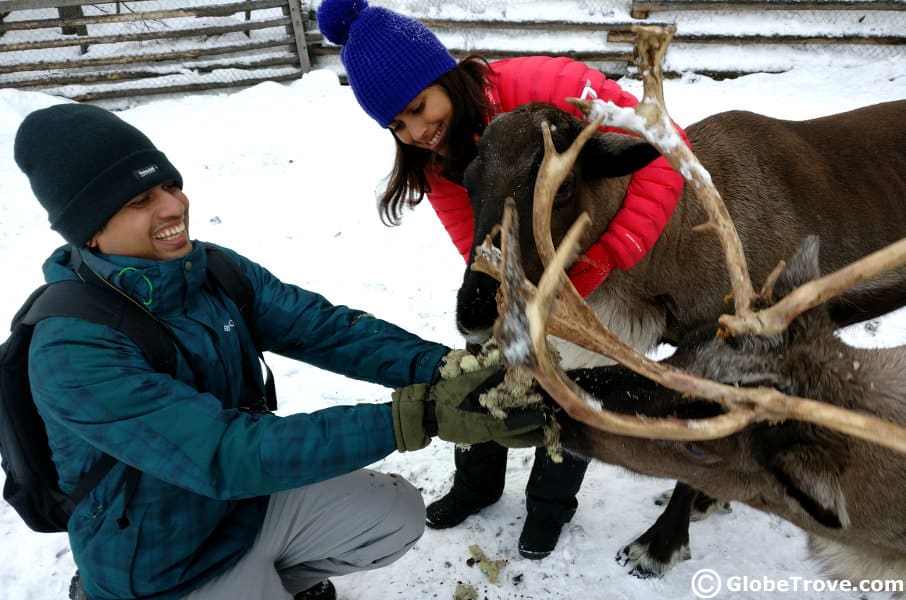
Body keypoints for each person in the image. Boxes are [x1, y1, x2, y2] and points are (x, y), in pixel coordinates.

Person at [12, 103, 547, 600]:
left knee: (395, 513)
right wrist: (422, 415)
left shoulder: (208, 271)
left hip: (244, 505)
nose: (175, 205)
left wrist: (446, 368)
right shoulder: (72, 348)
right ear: (92, 231)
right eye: (140, 200)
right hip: (163, 564)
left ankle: (278, 578)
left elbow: (324, 329)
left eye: (171, 186)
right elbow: (226, 453)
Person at [316, 0, 689, 561]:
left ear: (442, 76)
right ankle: (477, 483)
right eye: (397, 124)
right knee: (482, 362)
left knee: (574, 374)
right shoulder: (436, 157)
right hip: (524, 267)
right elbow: (475, 241)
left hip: (596, 260)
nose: (417, 131)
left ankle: (549, 505)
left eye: (418, 106)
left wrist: (612, 253)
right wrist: (497, 305)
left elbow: (662, 148)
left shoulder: (550, 84)